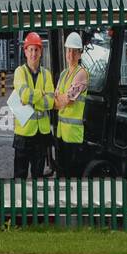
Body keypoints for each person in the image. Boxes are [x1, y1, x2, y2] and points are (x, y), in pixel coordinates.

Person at [11, 32, 54, 179]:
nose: (33, 53)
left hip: (41, 135)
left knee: (38, 176)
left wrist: (33, 97)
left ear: (41, 52)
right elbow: (24, 95)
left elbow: (50, 102)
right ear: (25, 51)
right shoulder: (19, 72)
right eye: (30, 49)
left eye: (36, 50)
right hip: (23, 134)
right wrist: (41, 93)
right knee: (19, 176)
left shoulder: (46, 74)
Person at [54, 32, 90, 177]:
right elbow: (55, 102)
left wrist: (61, 99)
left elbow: (67, 100)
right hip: (62, 133)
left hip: (74, 136)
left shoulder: (81, 73)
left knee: (72, 175)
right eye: (69, 50)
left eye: (75, 51)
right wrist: (60, 100)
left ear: (80, 54)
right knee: (62, 173)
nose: (71, 54)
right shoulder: (63, 74)